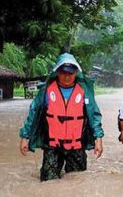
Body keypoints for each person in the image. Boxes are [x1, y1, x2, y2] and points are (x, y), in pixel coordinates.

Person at [19, 53, 104, 182]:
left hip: (76, 145)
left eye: (71, 73)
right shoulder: (46, 91)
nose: (67, 76)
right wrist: (25, 137)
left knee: (77, 182)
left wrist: (98, 139)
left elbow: (94, 115)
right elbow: (33, 113)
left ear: (76, 73)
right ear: (57, 72)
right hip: (52, 145)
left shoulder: (84, 91)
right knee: (48, 182)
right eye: (63, 72)